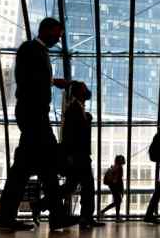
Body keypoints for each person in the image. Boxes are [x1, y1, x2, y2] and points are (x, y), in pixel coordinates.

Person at [0, 18, 77, 231]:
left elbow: (34, 76)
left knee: (29, 169)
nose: (59, 37)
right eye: (58, 33)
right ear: (47, 29)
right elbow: (27, 77)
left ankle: (11, 218)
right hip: (33, 114)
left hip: (35, 113)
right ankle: (53, 216)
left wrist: (52, 81)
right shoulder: (30, 48)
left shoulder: (37, 51)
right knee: (44, 163)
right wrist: (50, 82)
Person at [57, 81, 104, 228]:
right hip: (78, 155)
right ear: (79, 92)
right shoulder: (73, 108)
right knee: (88, 186)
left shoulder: (79, 108)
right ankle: (86, 218)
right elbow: (69, 134)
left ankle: (40, 205)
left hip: (80, 154)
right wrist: (70, 155)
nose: (87, 90)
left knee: (71, 186)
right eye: (85, 88)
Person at [100, 155, 125, 222]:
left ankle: (116, 216)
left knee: (117, 202)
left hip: (112, 186)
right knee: (118, 201)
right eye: (122, 159)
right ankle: (115, 217)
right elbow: (118, 179)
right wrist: (121, 189)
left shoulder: (114, 166)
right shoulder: (119, 167)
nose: (123, 160)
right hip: (116, 186)